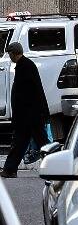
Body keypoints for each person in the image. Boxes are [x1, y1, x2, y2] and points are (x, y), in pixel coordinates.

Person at [3, 42, 50, 178]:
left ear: (13, 53)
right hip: (29, 115)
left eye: (10, 53)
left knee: (40, 143)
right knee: (21, 142)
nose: (9, 57)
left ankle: (55, 166)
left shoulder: (25, 66)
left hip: (30, 116)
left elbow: (27, 94)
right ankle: (9, 169)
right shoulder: (24, 65)